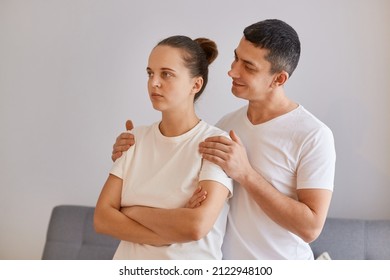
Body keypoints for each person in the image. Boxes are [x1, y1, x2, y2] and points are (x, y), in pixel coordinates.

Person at [112, 19, 336, 259]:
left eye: (248, 67)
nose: (232, 71)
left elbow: (311, 227)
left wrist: (246, 174)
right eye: (236, 58)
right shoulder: (225, 126)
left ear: (279, 79)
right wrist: (137, 150)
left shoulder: (313, 135)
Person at [94, 35, 233, 260]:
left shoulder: (215, 144)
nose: (154, 82)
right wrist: (166, 233)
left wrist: (131, 211)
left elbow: (196, 226)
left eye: (166, 74)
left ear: (195, 84)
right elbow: (102, 218)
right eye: (150, 73)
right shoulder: (134, 139)